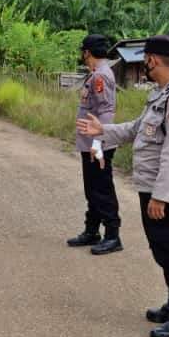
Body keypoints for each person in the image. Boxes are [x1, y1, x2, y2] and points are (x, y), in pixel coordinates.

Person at [76, 35, 169, 337]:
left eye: (145, 58)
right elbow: (137, 129)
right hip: (153, 188)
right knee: (162, 250)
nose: (144, 63)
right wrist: (103, 130)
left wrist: (161, 196)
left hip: (168, 192)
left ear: (153, 60)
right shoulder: (162, 94)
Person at [67, 34, 122, 255]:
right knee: (93, 190)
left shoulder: (101, 76)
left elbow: (106, 113)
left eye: (83, 51)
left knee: (102, 190)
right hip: (90, 144)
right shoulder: (96, 74)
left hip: (97, 146)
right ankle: (92, 231)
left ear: (87, 52)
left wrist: (98, 144)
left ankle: (112, 236)